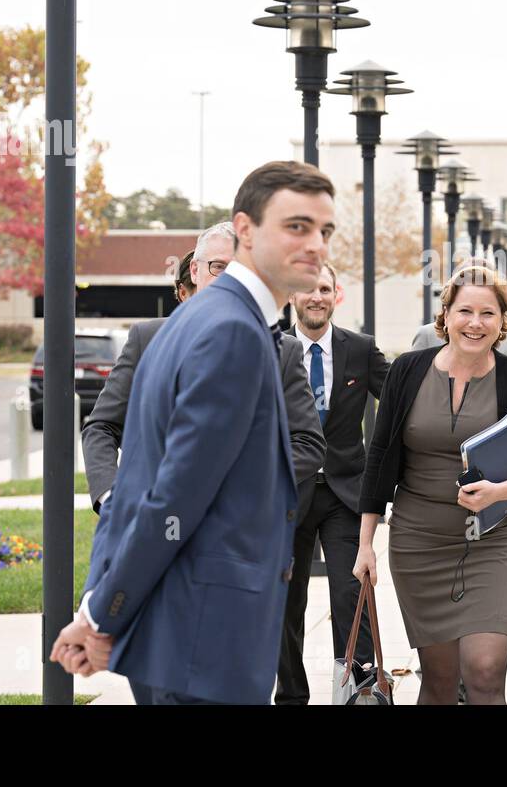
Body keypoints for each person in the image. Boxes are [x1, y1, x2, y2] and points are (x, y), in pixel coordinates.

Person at [49, 160, 336, 704]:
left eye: (325, 231)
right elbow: (170, 498)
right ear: (245, 228)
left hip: (185, 636)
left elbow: (147, 483)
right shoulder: (232, 332)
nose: (316, 244)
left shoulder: (205, 318)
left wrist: (103, 606)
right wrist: (101, 612)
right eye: (296, 226)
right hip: (205, 642)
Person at [354, 265, 507, 705]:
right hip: (419, 545)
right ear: (445, 316)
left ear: (503, 322)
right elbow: (379, 459)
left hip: (494, 542)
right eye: (465, 310)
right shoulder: (407, 372)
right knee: (440, 682)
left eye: (488, 313)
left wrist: (500, 491)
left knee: (484, 672)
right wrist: (366, 543)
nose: (475, 322)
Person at [81, 223, 324, 517]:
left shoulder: (284, 352)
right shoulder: (146, 341)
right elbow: (102, 427)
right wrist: (111, 497)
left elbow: (308, 444)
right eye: (218, 267)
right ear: (194, 272)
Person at [276, 261, 390, 705]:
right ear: (291, 296)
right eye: (306, 289)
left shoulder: (360, 349)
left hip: (346, 493)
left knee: (350, 593)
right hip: (287, 494)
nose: (316, 296)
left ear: (336, 294)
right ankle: (289, 696)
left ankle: (358, 693)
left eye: (325, 288)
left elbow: (398, 396)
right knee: (287, 602)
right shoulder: (272, 348)